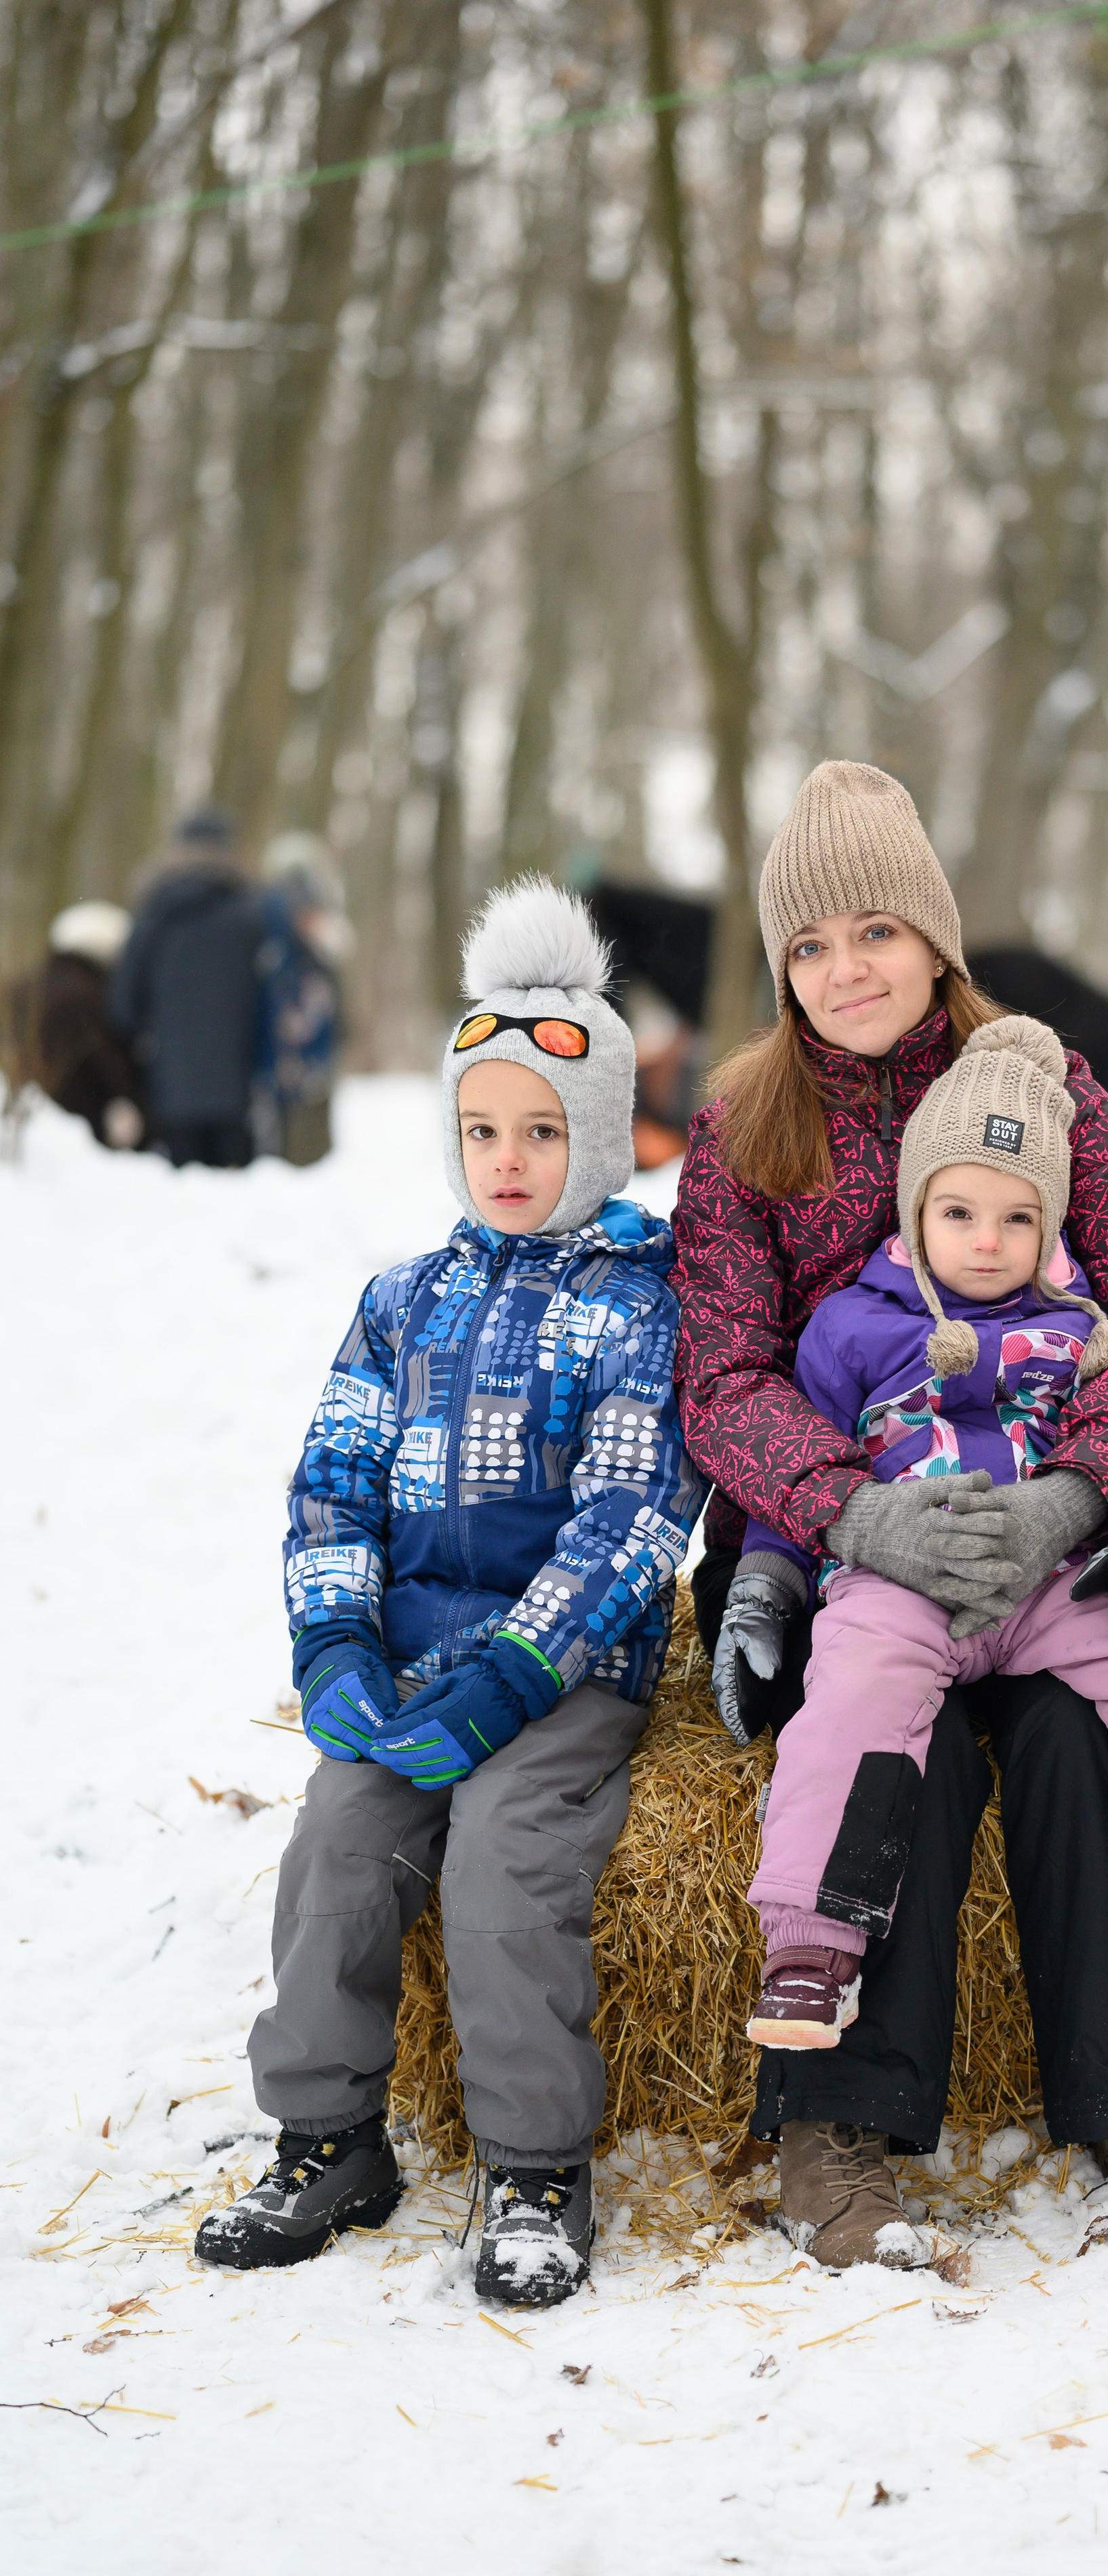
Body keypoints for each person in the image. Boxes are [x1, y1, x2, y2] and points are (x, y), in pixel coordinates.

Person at [672, 759, 1108, 2266]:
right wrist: (846, 1518)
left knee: (1076, 1742)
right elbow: (723, 1375)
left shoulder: (1036, 1078)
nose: (840, 971)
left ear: (931, 933)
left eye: (870, 930)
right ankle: (832, 2132)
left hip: (1044, 1522)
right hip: (843, 1547)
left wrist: (1087, 1488)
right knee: (901, 1752)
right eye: (805, 946)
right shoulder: (744, 1122)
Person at [194, 880, 703, 2307]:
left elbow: (626, 1520)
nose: (508, 1158)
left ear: (599, 1136)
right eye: (482, 1130)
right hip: (406, 1657)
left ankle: (535, 2165)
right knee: (337, 1851)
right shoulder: (402, 1298)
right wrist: (337, 1642)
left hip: (554, 1673)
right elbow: (332, 1480)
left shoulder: (637, 1301)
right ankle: (327, 2132)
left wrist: (510, 1676)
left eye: (543, 1132)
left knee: (502, 1868)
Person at [722, 1014, 1108, 2051]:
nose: (986, 1241)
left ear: (1053, 1227)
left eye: (1016, 1219)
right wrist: (769, 1578)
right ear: (914, 1210)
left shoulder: (1082, 1331)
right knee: (850, 1697)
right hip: (901, 1577)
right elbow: (791, 1468)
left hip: (1053, 1576)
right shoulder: (851, 1325)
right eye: (958, 1212)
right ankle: (809, 1946)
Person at [108, 807, 265, 1168]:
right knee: (238, 1205)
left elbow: (124, 1004)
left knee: (183, 1208)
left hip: (170, 1090)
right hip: (238, 1091)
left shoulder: (154, 912)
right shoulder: (251, 915)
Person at [5, 900, 145, 1148]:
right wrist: (134, 1100)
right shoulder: (91, 993)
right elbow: (106, 1059)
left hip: (31, 1116)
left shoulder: (28, 986)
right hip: (81, 1118)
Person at [255, 831, 350, 1167]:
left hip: (287, 1056)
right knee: (301, 1159)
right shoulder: (291, 916)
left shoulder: (266, 913)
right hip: (299, 1057)